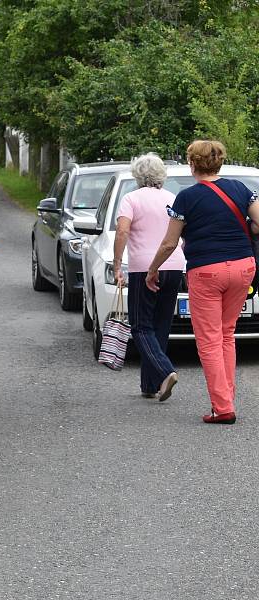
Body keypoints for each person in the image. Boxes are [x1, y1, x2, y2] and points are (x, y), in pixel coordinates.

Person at [146, 140, 259, 424]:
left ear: (193, 164)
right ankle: (226, 399)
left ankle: (223, 408)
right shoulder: (241, 189)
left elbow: (170, 242)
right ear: (219, 161)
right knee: (226, 334)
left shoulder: (186, 197)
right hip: (244, 267)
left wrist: (153, 269)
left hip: (206, 271)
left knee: (209, 340)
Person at [113, 153, 184, 402]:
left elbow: (122, 230)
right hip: (174, 265)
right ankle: (150, 384)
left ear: (137, 176)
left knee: (141, 326)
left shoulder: (131, 199)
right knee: (160, 326)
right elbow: (180, 233)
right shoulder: (172, 199)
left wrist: (117, 264)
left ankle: (165, 372)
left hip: (144, 267)